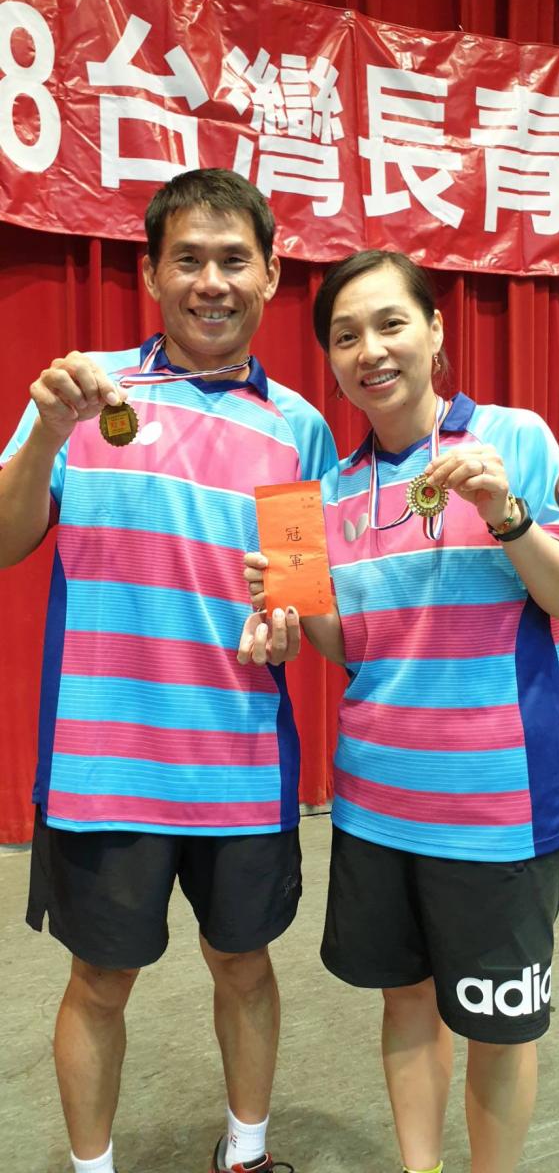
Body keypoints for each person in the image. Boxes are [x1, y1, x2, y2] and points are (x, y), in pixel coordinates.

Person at [0, 168, 337, 1173]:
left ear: (270, 276)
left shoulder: (298, 428)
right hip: (103, 767)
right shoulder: (83, 393)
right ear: (149, 274)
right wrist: (44, 431)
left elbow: (298, 596)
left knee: (244, 964)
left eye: (234, 260)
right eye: (187, 259)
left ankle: (246, 1152)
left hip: (240, 765)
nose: (211, 282)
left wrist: (286, 624)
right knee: (99, 982)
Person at [239, 249, 559, 1173]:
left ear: (434, 330)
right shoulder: (323, 495)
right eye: (345, 336)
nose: (371, 350)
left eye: (391, 323)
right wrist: (286, 606)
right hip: (375, 807)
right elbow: (350, 649)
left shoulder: (513, 437)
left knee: (499, 1031)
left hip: (496, 812)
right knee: (405, 1002)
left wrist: (508, 517)